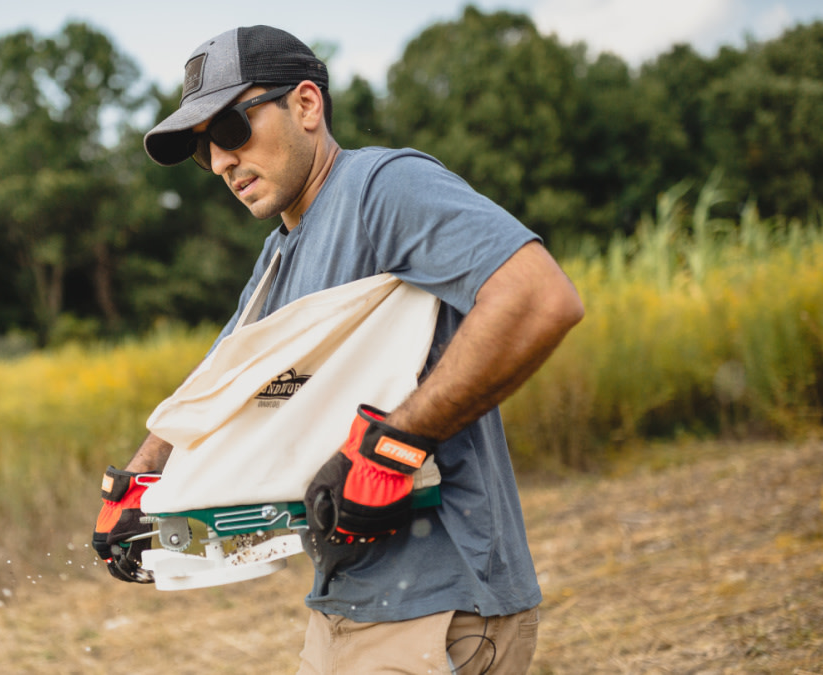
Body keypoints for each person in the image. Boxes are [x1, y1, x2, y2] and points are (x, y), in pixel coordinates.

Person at [92, 25, 584, 674]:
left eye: (232, 129)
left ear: (305, 105)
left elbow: (537, 298)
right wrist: (144, 480)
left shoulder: (382, 187)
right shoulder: (277, 256)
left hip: (438, 609)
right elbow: (221, 385)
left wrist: (396, 442)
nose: (218, 161)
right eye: (202, 148)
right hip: (343, 610)